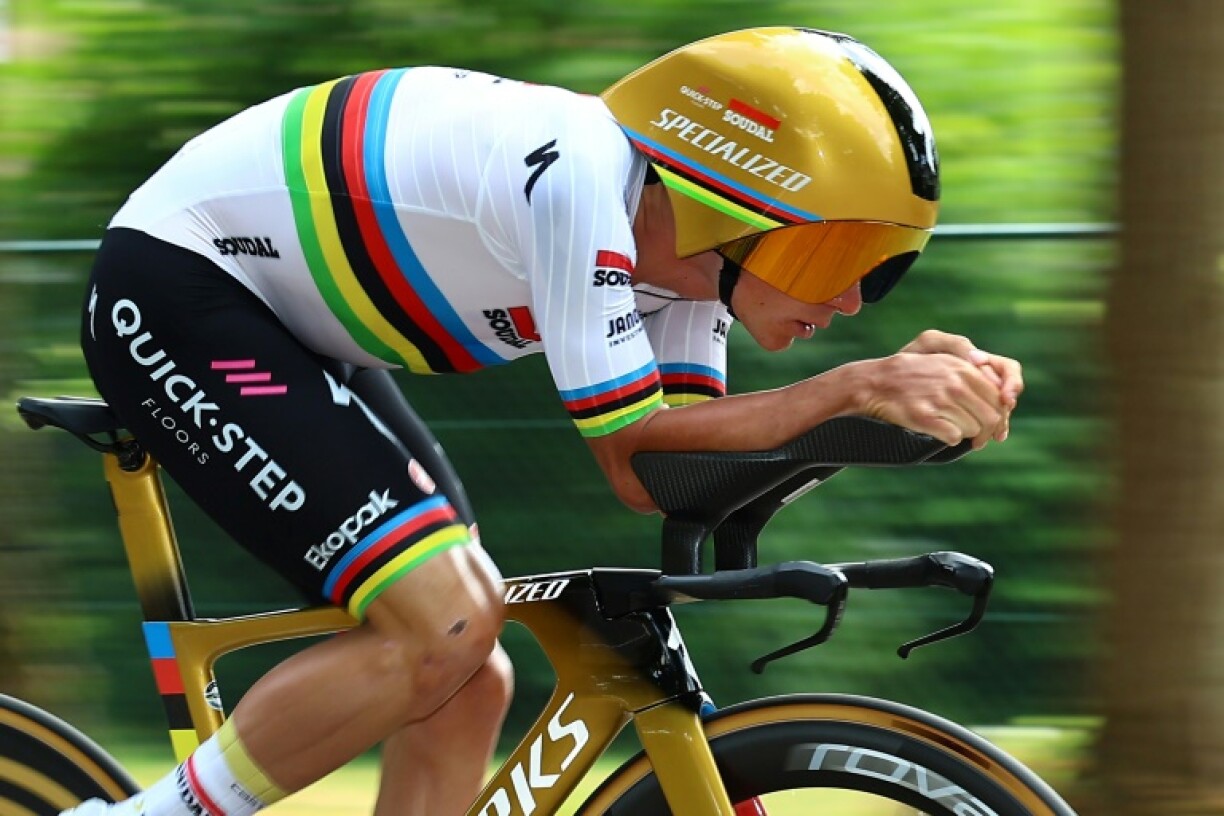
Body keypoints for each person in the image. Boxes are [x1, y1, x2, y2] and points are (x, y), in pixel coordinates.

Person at [65, 26, 1022, 816]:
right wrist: (846, 391)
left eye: (880, 264)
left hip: (297, 333)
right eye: (832, 256)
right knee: (444, 623)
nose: (853, 300)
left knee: (461, 676)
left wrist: (887, 425)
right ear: (734, 202)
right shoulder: (579, 182)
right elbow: (633, 454)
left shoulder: (686, 271)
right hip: (185, 287)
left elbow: (676, 472)